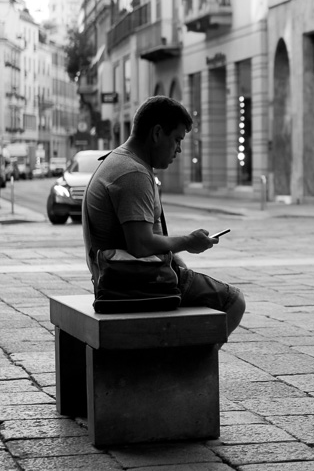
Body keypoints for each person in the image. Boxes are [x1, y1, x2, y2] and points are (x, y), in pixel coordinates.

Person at [82, 96, 245, 335]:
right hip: (135, 282)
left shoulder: (120, 160)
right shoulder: (132, 172)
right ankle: (191, 370)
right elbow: (140, 244)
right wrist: (189, 242)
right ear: (157, 133)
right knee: (234, 301)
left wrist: (176, 261)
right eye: (177, 140)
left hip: (119, 278)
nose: (178, 149)